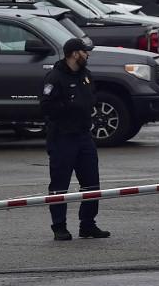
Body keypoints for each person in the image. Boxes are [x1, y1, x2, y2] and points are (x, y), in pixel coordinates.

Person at [39, 37, 110, 241]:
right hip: (62, 138)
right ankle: (59, 226)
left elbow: (91, 97)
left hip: (83, 137)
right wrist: (69, 108)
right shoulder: (54, 77)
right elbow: (46, 106)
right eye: (84, 52)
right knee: (60, 184)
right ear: (74, 53)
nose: (87, 55)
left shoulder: (85, 75)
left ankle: (88, 224)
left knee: (91, 183)